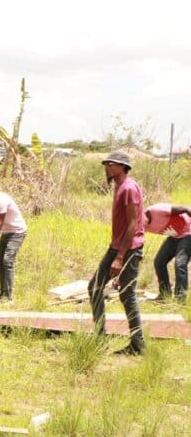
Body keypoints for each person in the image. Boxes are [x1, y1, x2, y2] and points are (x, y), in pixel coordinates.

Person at [88, 150, 146, 355]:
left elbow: (133, 223)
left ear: (122, 167)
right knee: (95, 287)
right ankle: (100, 334)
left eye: (110, 164)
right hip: (117, 246)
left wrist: (120, 257)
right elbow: (141, 218)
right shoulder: (120, 187)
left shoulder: (129, 188)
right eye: (105, 164)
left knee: (127, 295)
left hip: (127, 249)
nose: (106, 167)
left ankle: (138, 346)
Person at [144, 202, 191, 301]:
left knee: (180, 263)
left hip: (188, 232)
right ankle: (164, 295)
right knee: (159, 262)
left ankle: (180, 299)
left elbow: (186, 208)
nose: (142, 226)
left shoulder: (157, 210)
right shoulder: (142, 224)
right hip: (175, 236)